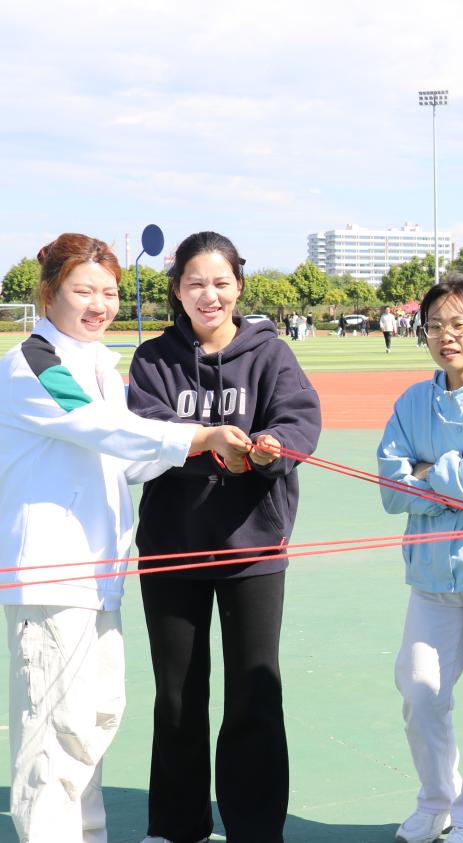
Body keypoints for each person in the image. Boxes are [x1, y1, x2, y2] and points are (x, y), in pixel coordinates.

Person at [0, 233, 252, 843]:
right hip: (52, 580)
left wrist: (217, 446)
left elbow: (132, 458)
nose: (100, 305)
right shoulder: (35, 362)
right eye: (83, 291)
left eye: (109, 292)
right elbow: (100, 428)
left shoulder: (97, 365)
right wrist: (201, 436)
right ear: (49, 293)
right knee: (54, 735)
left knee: (93, 722)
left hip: (98, 578)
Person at [126, 231, 323, 843]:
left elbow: (298, 420)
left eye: (220, 282)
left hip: (253, 548)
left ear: (238, 285)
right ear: (177, 290)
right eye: (195, 283)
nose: (208, 295)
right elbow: (145, 430)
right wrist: (207, 442)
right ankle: (176, 825)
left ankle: (255, 827)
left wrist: (271, 449)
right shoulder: (152, 359)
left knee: (254, 693)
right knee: (177, 694)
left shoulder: (272, 355)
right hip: (172, 548)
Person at [378, 274, 463, 843]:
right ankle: (437, 802)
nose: (446, 336)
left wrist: (431, 472)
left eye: (459, 324)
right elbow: (391, 489)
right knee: (420, 689)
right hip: (431, 575)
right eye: (434, 326)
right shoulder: (412, 402)